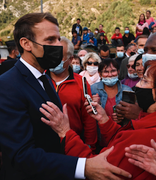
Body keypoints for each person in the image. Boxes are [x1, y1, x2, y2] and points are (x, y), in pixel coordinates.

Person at [0, 12, 127, 180]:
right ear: (26, 44)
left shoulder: (43, 77)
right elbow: (22, 155)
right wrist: (83, 166)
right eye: (50, 40)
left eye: (59, 39)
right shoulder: (8, 85)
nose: (58, 45)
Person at [40, 59, 156, 180]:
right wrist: (105, 121)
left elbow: (99, 170)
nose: (137, 85)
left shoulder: (148, 138)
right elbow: (123, 139)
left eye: (144, 81)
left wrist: (66, 133)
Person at [47, 37, 97, 151]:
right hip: (43, 146)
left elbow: (89, 118)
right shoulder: (39, 79)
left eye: (59, 56)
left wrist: (90, 145)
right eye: (51, 55)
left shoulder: (81, 83)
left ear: (70, 59)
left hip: (72, 143)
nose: (54, 59)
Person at [116, 31, 156, 122]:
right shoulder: (144, 77)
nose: (147, 55)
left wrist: (140, 116)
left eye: (154, 50)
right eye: (145, 50)